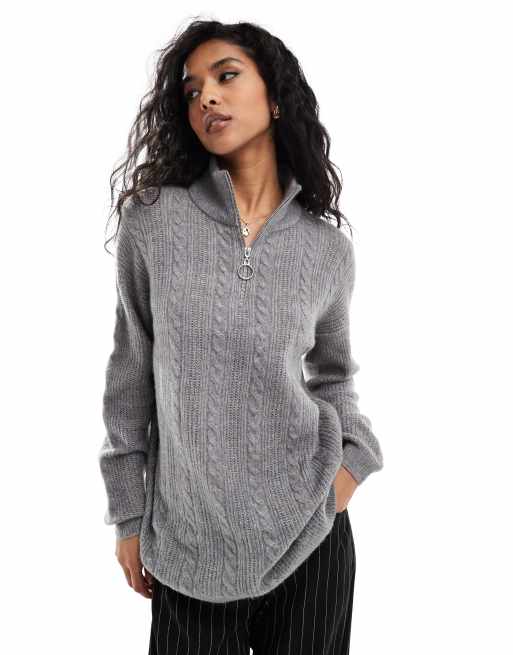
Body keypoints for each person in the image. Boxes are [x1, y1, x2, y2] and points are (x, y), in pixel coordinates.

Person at [98, 19, 384, 655]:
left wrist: (348, 468)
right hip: (189, 546)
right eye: (191, 90)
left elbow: (334, 375)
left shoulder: (326, 249)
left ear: (275, 97)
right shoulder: (154, 222)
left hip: (311, 535)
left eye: (226, 76)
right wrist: (127, 514)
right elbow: (130, 374)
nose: (207, 96)